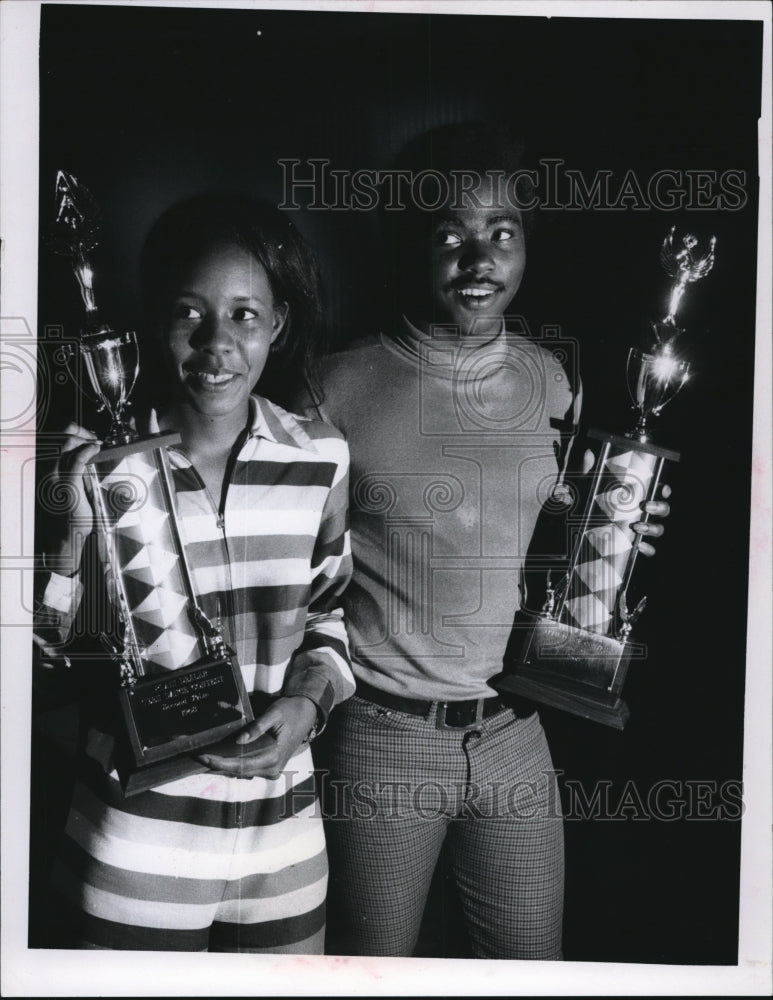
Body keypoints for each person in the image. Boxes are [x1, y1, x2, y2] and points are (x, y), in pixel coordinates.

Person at [298, 123, 669, 959]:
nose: (478, 259)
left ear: (525, 248)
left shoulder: (551, 378)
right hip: (382, 741)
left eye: (501, 234)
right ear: (413, 247)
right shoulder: (334, 387)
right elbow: (296, 575)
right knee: (372, 973)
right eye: (450, 236)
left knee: (534, 971)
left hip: (514, 732)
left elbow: (549, 549)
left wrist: (613, 527)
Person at [33, 194, 355, 952]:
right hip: (135, 838)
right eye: (190, 312)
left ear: (278, 323)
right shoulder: (96, 466)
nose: (216, 343)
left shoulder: (319, 456)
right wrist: (72, 532)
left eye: (245, 314)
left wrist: (307, 705)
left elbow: (329, 619)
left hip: (283, 836)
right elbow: (44, 652)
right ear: (155, 321)